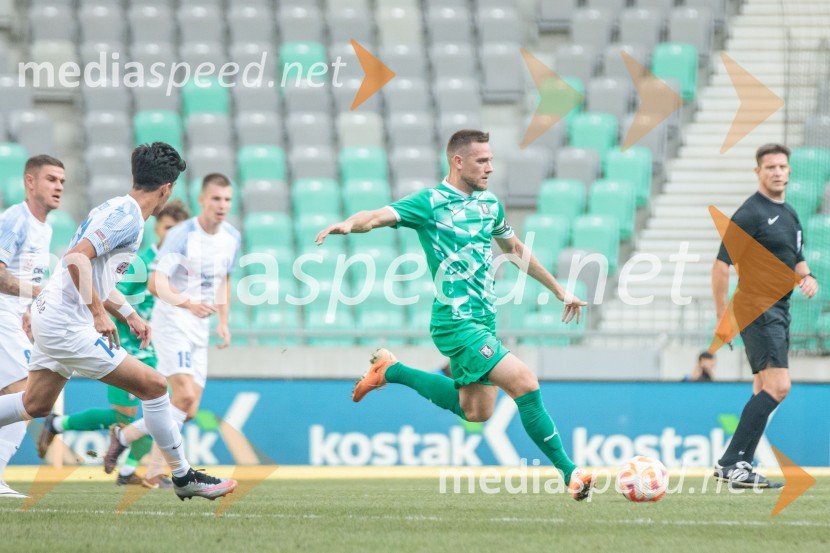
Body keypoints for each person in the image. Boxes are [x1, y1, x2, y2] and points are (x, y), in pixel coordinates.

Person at [316, 129, 595, 500]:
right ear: (457, 161)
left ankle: (391, 370)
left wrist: (559, 289)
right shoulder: (430, 203)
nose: (490, 168)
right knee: (525, 382)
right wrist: (351, 224)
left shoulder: (489, 205)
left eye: (492, 160)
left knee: (477, 412)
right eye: (482, 161)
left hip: (484, 321)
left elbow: (514, 248)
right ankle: (570, 472)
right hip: (455, 321)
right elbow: (377, 216)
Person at [0, 142, 236, 501]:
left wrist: (128, 314)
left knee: (35, 404)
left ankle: (179, 473)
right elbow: (76, 259)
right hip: (68, 323)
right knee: (156, 386)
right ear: (166, 188)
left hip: (52, 315)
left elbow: (93, 272)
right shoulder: (127, 218)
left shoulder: (115, 208)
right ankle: (183, 474)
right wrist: (97, 314)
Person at [37, 200, 190, 488]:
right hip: (123, 339)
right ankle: (60, 425)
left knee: (152, 407)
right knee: (132, 413)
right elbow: (108, 292)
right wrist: (118, 316)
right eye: (168, 229)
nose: (172, 236)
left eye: (178, 231)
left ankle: (129, 469)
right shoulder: (142, 261)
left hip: (147, 344)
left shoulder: (172, 264)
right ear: (157, 228)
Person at [103, 173, 240, 473]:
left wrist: (224, 321)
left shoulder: (232, 237)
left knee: (187, 410)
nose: (222, 205)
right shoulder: (182, 235)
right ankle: (160, 473)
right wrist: (188, 303)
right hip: (172, 321)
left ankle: (126, 438)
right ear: (203, 200)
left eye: (227, 199)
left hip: (199, 327)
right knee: (184, 395)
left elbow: (224, 279)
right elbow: (155, 283)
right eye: (216, 198)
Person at [712, 143, 818, 488]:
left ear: (789, 171)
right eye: (770, 167)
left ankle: (738, 464)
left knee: (762, 387)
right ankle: (732, 462)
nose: (776, 172)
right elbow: (720, 265)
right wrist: (721, 317)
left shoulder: (789, 214)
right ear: (758, 172)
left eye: (782, 166)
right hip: (757, 307)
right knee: (779, 385)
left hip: (779, 309)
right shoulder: (750, 214)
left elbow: (796, 257)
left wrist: (807, 276)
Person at [0, 155, 65, 498]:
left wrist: (29, 309)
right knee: (29, 393)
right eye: (51, 179)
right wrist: (36, 293)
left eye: (62, 182)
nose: (59, 187)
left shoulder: (46, 227)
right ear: (30, 181)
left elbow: (22, 276)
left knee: (17, 397)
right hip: (0, 314)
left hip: (14, 316)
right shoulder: (15, 219)